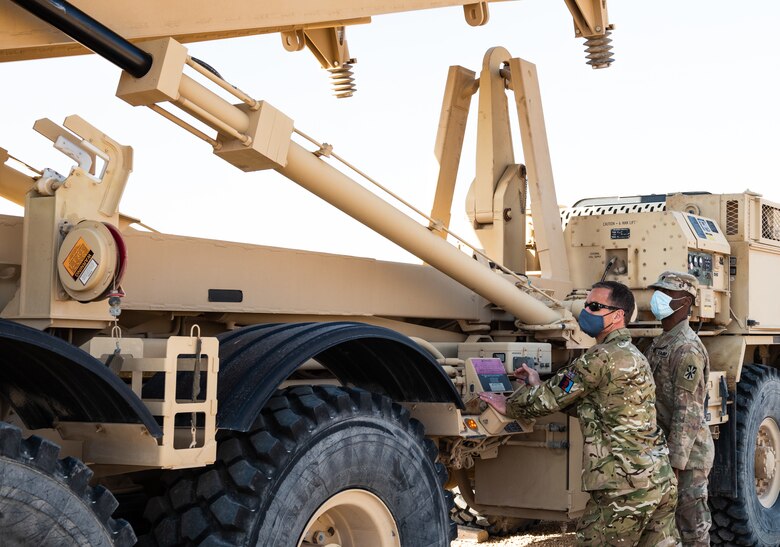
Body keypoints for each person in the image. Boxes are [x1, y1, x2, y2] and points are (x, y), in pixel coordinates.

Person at [480, 281, 679, 546]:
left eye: (595, 306)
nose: (586, 311)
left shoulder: (600, 357)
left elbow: (551, 398)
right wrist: (538, 384)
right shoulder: (634, 356)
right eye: (586, 305)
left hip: (624, 485)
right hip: (659, 480)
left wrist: (509, 405)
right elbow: (596, 407)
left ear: (618, 315)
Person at [645, 271, 714, 546]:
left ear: (684, 302)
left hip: (687, 459)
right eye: (658, 292)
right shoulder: (662, 341)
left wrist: (675, 462)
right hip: (667, 451)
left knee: (692, 530)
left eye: (666, 293)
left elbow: (689, 411)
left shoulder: (686, 348)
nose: (657, 298)